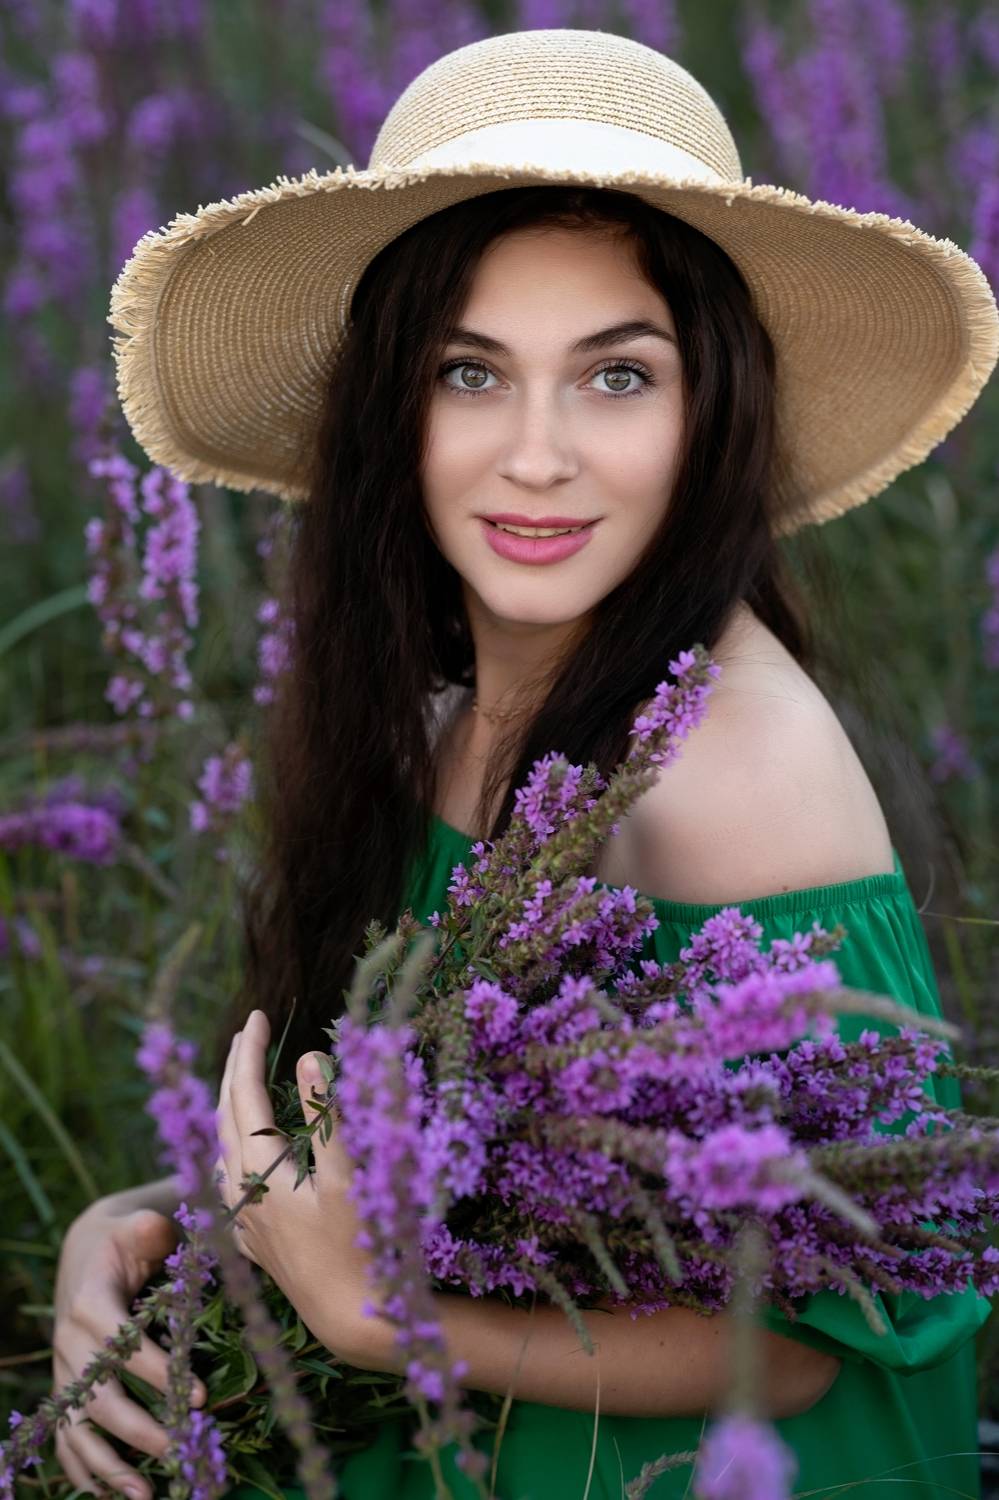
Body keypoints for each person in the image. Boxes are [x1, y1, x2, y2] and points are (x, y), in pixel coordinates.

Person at [54, 26, 997, 1500]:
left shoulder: (729, 763)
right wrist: (140, 1227)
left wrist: (382, 1319)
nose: (538, 456)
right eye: (469, 373)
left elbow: (811, 1334)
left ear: (712, 408)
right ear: (389, 409)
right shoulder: (448, 713)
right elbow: (435, 1150)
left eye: (617, 376)